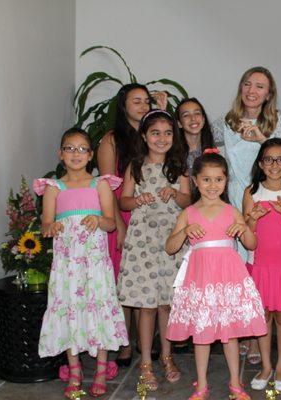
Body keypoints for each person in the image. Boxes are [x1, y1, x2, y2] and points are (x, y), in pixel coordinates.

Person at [166, 150, 267, 400]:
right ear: (196, 181)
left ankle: (235, 383)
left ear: (225, 181)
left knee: (228, 334)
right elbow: (170, 247)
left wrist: (243, 227)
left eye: (218, 179)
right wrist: (186, 230)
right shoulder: (188, 213)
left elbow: (252, 244)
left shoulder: (231, 210)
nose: (213, 185)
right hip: (201, 280)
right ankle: (201, 385)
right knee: (202, 336)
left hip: (227, 278)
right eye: (207, 179)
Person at [34, 128, 128, 398]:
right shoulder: (53, 188)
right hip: (68, 265)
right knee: (69, 307)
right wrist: (52, 228)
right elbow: (46, 226)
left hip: (95, 262)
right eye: (70, 148)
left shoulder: (100, 184)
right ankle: (74, 369)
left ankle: (100, 368)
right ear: (60, 153)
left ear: (90, 155)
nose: (76, 154)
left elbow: (111, 222)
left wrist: (98, 220)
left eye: (82, 149)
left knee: (98, 304)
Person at [117, 110, 191, 391]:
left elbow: (188, 201)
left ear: (175, 136)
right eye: (155, 133)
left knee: (166, 304)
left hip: (171, 242)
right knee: (146, 305)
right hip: (143, 244)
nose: (162, 138)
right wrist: (136, 200)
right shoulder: (135, 167)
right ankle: (146, 361)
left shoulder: (179, 167)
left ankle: (167, 356)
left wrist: (176, 194)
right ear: (145, 136)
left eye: (168, 133)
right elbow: (123, 201)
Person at [97, 83, 167, 366]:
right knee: (125, 284)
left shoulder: (149, 136)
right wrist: (118, 225)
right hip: (120, 214)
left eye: (146, 101)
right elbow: (105, 186)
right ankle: (124, 343)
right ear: (123, 106)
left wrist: (162, 108)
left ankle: (145, 343)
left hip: (151, 219)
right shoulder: (112, 140)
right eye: (135, 101)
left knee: (147, 281)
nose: (141, 106)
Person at [213, 66, 281, 262]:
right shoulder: (227, 121)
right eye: (247, 84)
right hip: (231, 196)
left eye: (259, 86)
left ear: (268, 94)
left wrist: (261, 139)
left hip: (263, 195)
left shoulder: (277, 121)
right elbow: (201, 139)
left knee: (261, 252)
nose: (251, 90)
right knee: (234, 254)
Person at [242, 138, 281, 392]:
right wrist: (252, 220)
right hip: (259, 267)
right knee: (262, 315)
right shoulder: (251, 192)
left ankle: (280, 366)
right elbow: (248, 240)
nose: (274, 164)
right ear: (261, 163)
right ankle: (266, 366)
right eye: (268, 159)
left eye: (280, 159)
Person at [175, 97, 215, 176]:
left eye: (197, 113)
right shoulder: (173, 153)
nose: (193, 118)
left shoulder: (212, 151)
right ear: (179, 123)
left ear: (203, 119)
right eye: (186, 115)